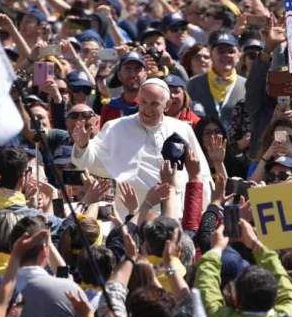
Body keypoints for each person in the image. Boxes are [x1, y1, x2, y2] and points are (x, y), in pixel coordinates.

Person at [72, 78, 212, 217]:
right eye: (143, 102)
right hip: (133, 214)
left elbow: (200, 172)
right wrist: (82, 145)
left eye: (154, 104)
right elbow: (93, 161)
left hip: (176, 211)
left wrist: (201, 209)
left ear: (167, 105)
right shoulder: (116, 127)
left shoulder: (181, 128)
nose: (147, 109)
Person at [187, 30, 246, 131]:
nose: (226, 55)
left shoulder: (247, 85)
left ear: (239, 55)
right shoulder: (193, 84)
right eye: (221, 51)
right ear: (211, 54)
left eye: (231, 51)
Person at [100, 51, 147, 126]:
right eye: (128, 69)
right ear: (119, 75)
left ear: (145, 74)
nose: (133, 74)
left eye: (137, 69)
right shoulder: (110, 107)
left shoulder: (152, 105)